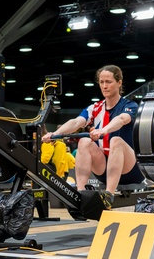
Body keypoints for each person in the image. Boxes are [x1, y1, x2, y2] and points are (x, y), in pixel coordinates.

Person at [41, 65, 143, 209]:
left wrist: (103, 130)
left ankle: (109, 195)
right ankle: (79, 193)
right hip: (104, 170)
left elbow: (121, 120)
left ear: (119, 83)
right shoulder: (95, 108)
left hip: (130, 170)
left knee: (116, 141)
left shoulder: (130, 105)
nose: (104, 86)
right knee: (84, 141)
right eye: (101, 82)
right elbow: (76, 122)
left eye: (108, 82)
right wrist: (54, 134)